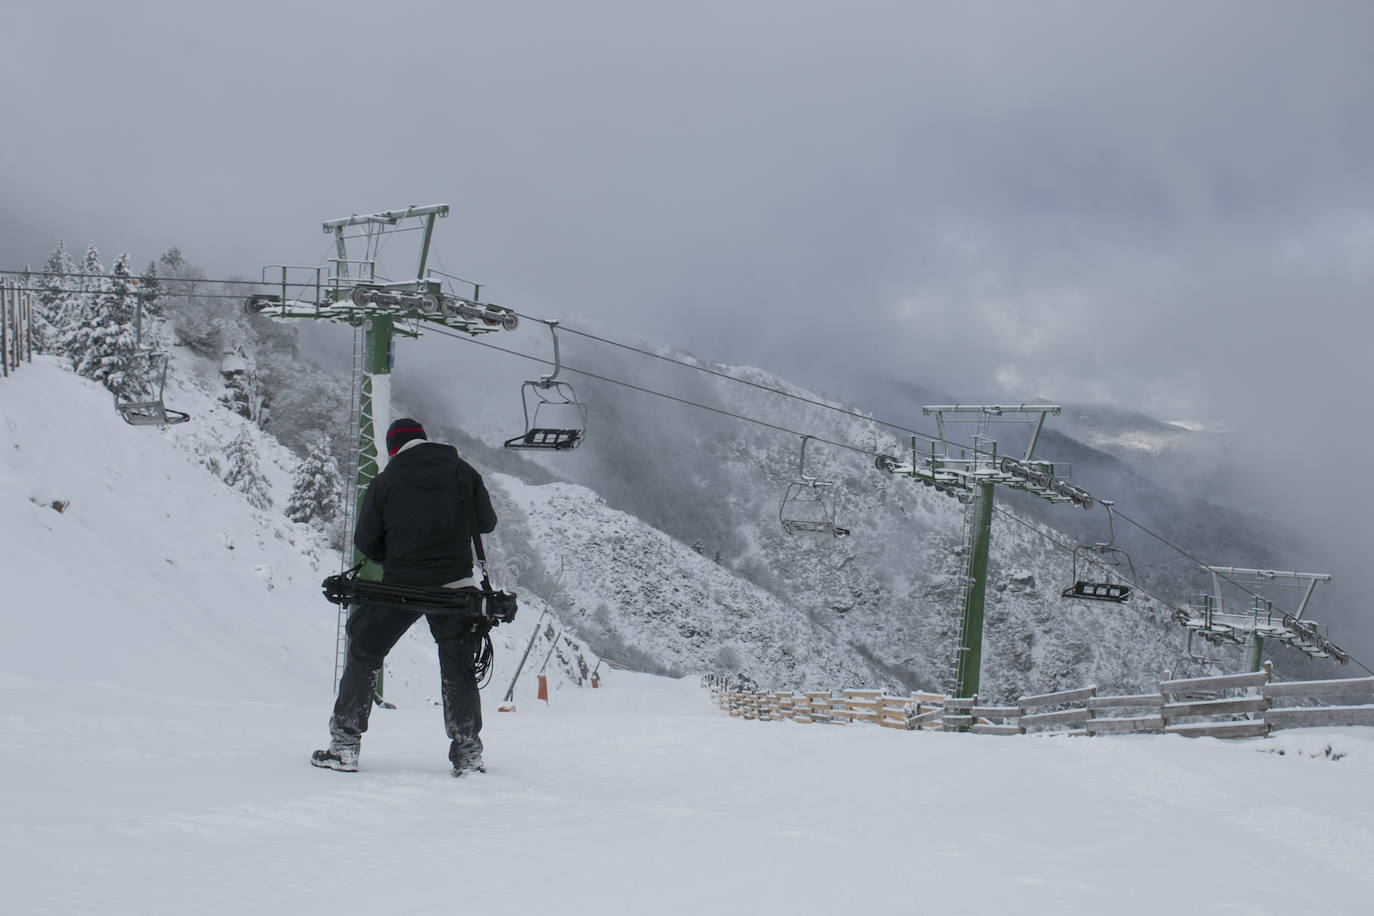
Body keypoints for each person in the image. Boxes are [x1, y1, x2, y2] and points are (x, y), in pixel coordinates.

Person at [312, 417, 498, 776]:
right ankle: (467, 754)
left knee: (365, 650)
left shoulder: (385, 482)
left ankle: (345, 746)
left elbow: (367, 543)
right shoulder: (463, 473)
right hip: (456, 589)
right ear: (425, 441)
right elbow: (486, 522)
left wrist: (399, 557)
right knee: (458, 665)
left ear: (392, 449)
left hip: (399, 587)